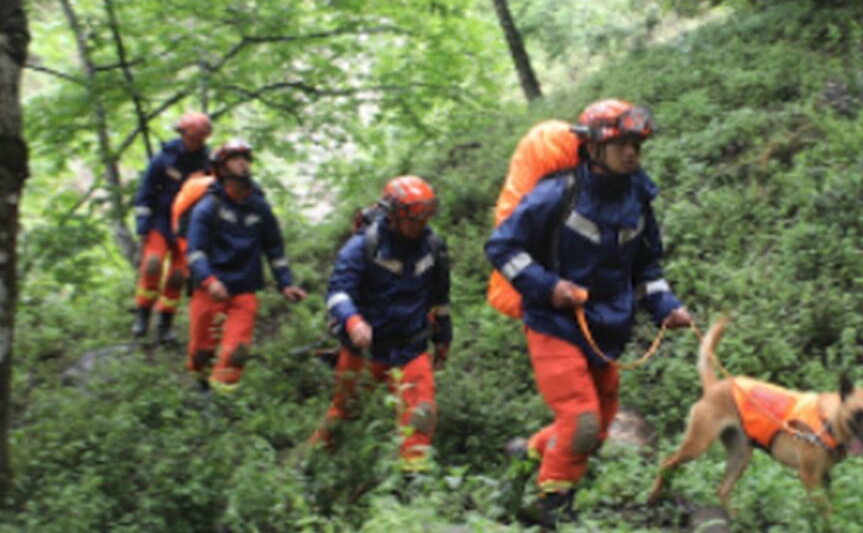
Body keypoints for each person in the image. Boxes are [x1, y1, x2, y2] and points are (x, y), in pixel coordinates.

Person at [485, 99, 693, 527]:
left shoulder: (638, 195)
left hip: (607, 329)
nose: (632, 151)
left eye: (637, 142)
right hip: (554, 325)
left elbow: (646, 267)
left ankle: (527, 455)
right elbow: (502, 248)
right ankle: (554, 513)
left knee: (597, 426)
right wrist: (550, 287)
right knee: (581, 422)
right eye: (621, 143)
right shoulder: (557, 194)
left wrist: (667, 307)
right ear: (594, 146)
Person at [309, 176, 452, 471]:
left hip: (411, 346)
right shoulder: (362, 247)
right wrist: (353, 320)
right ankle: (314, 465)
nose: (422, 223)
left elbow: (440, 298)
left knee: (421, 414)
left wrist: (443, 338)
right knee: (345, 412)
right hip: (365, 352)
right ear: (394, 215)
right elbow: (337, 292)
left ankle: (413, 483)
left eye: (427, 215)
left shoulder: (433, 247)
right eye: (416, 217)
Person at [185, 139, 307, 392]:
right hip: (210, 290)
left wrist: (286, 284)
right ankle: (200, 389)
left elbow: (275, 249)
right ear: (222, 168)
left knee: (237, 350)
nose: (242, 164)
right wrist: (209, 281)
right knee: (202, 351)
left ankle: (222, 401)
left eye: (245, 158)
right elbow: (195, 252)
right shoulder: (208, 207)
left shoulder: (259, 207)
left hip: (244, 290)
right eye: (234, 159)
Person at [130, 112, 213, 343]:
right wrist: (143, 224)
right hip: (160, 220)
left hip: (188, 225)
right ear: (183, 134)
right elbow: (145, 192)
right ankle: (142, 314)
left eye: (200, 138)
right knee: (153, 264)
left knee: (177, 275)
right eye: (192, 137)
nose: (195, 142)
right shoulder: (164, 159)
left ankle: (165, 323)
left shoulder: (208, 164)